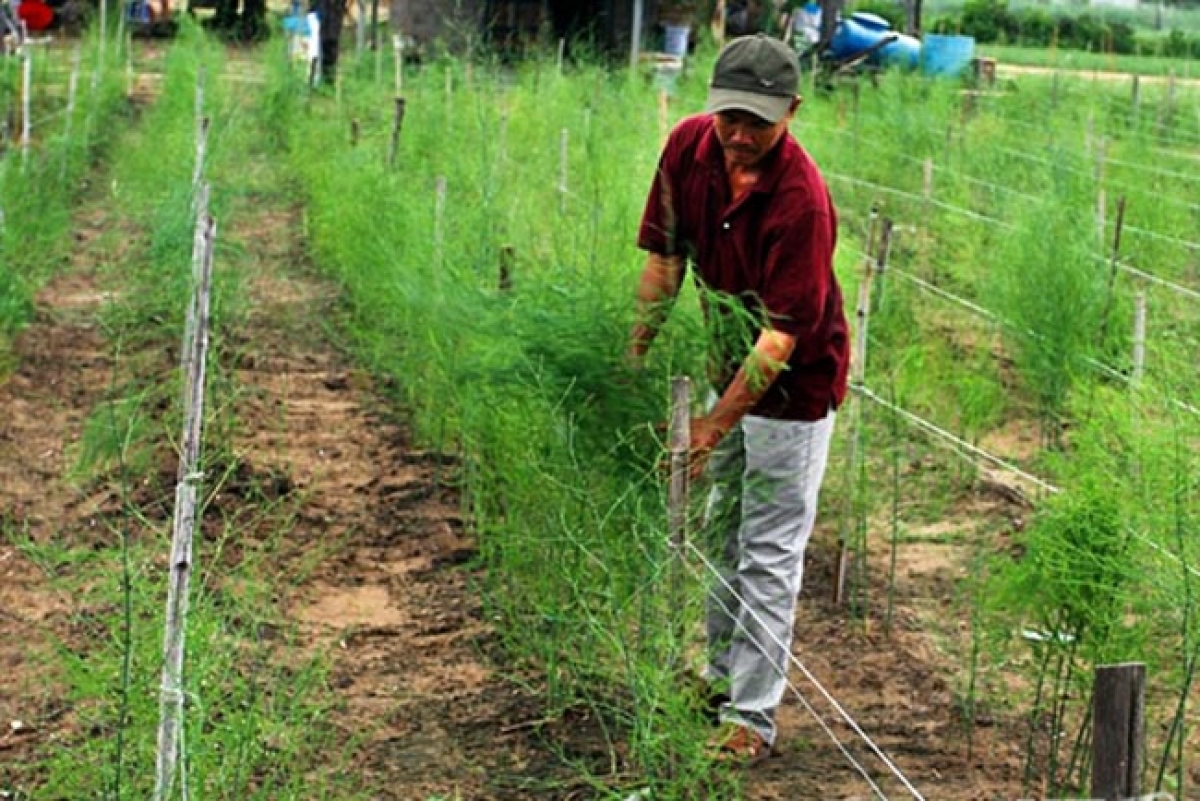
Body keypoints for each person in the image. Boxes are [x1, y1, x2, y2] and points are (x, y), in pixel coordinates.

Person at [628, 33, 848, 765]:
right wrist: (630, 357)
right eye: (730, 117)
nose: (741, 135)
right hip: (730, 367)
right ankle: (721, 679)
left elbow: (780, 342)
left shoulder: (801, 203)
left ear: (792, 109)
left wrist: (712, 428)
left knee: (768, 548)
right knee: (722, 530)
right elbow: (666, 258)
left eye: (759, 121)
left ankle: (751, 717)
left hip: (794, 388)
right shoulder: (687, 148)